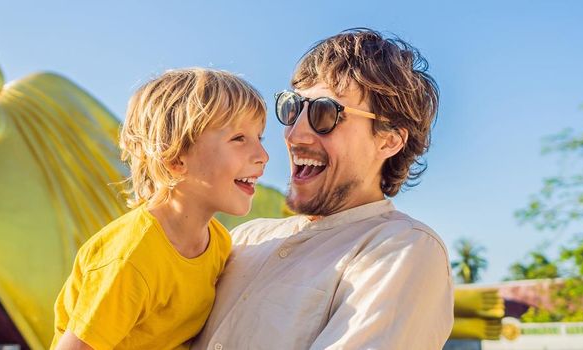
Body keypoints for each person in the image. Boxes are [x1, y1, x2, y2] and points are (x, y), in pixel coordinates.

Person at [192, 28, 453, 350]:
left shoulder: (401, 248)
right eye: (292, 109)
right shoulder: (244, 239)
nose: (294, 134)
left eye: (325, 114)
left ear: (388, 140)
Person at [52, 68, 269, 350]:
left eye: (259, 138)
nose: (263, 156)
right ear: (176, 158)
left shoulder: (218, 244)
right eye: (239, 138)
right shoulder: (133, 256)